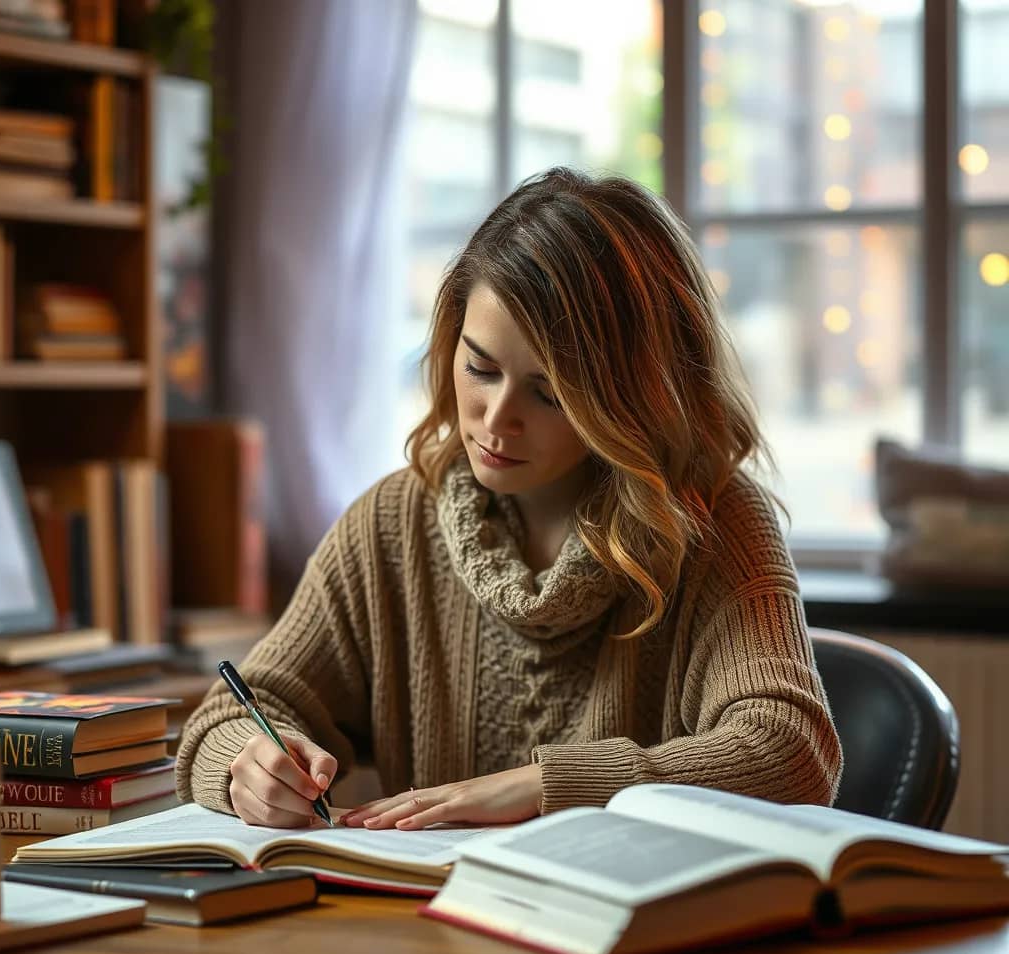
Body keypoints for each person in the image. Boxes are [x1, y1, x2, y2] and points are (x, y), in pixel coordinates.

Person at [175, 166, 843, 831]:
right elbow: (227, 717)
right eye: (480, 368)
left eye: (549, 393)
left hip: (640, 932)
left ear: (630, 399)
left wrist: (549, 785)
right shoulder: (393, 524)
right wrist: (253, 764)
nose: (496, 419)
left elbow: (791, 755)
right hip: (436, 929)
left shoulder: (715, 525)